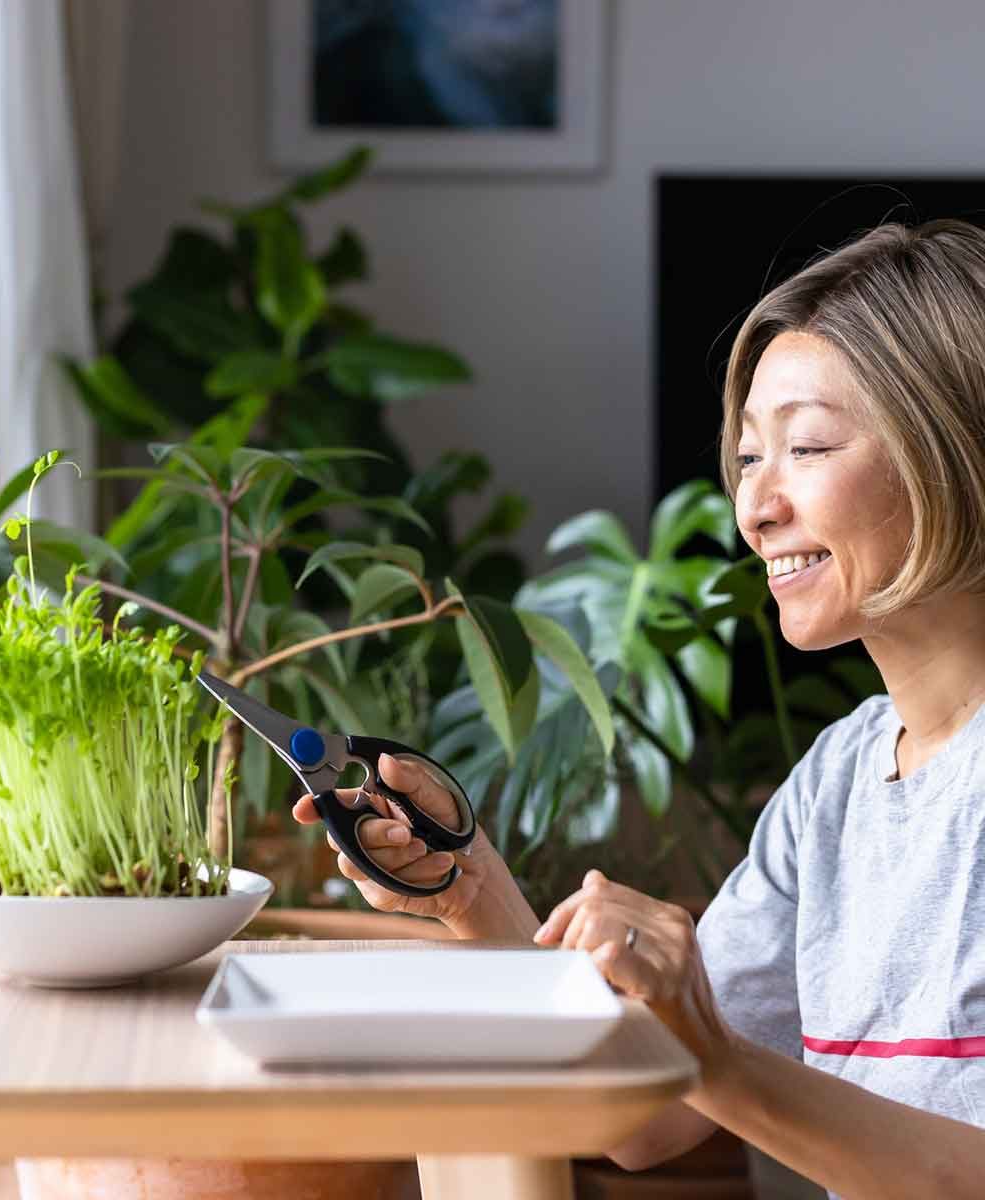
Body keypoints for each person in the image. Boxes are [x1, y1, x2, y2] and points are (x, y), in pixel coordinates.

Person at [293, 219, 985, 1198]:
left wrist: (715, 1059)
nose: (755, 508)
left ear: (957, 451)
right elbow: (647, 1119)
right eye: (750, 458)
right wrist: (469, 888)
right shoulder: (837, 783)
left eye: (807, 446)